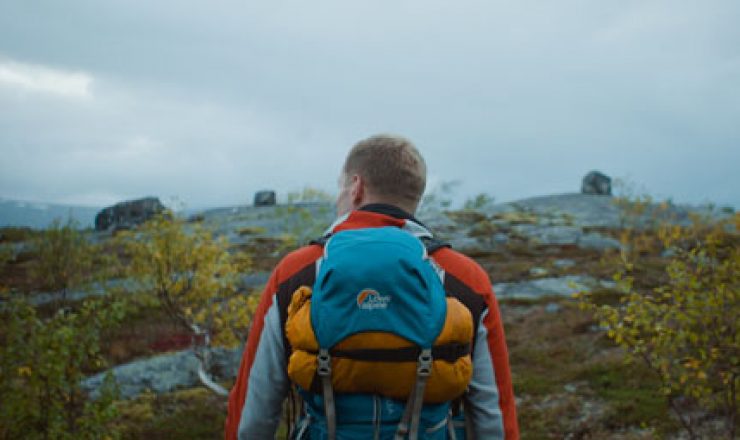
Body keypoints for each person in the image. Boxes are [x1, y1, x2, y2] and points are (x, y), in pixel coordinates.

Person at [225, 135, 519, 439]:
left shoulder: (297, 271)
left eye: (340, 186)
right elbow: (494, 418)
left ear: (356, 187)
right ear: (415, 197)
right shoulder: (466, 277)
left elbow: (252, 412)